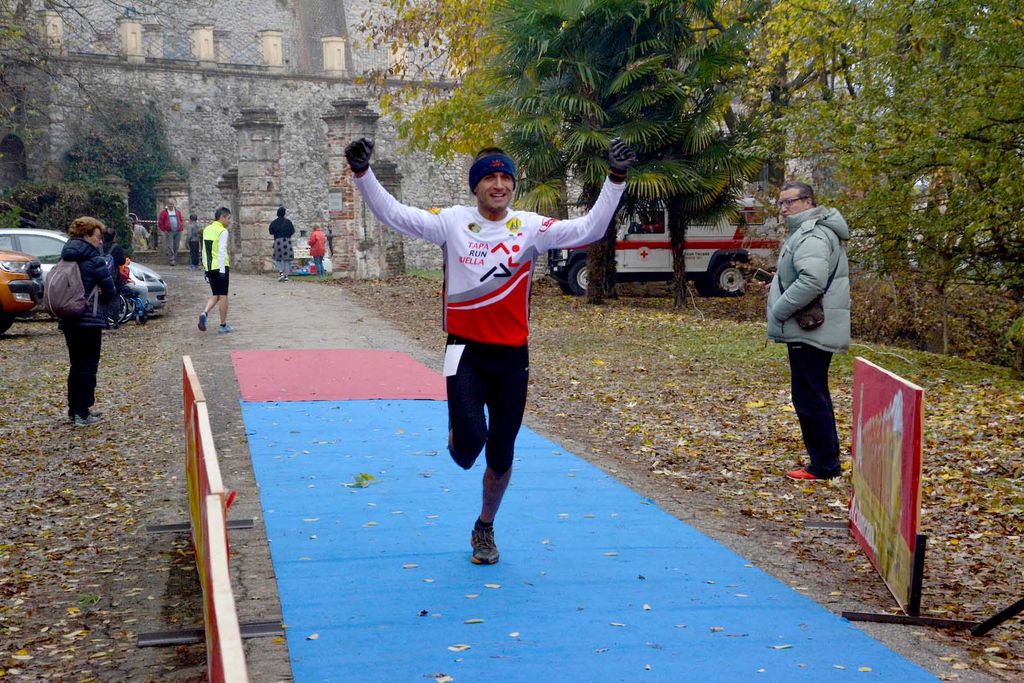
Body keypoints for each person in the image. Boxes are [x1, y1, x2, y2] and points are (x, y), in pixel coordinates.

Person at [345, 136, 636, 564]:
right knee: (468, 448)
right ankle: (460, 433)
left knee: (500, 453)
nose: (499, 185)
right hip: (463, 350)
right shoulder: (451, 223)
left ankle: (485, 525)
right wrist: (363, 174)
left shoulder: (530, 227)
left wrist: (616, 178)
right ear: (475, 186)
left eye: (506, 178)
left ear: (513, 185)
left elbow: (589, 229)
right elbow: (395, 214)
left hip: (512, 357)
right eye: (490, 178)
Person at [767, 181, 851, 481]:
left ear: (808, 201)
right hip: (813, 326)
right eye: (781, 203)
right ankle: (826, 461)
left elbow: (812, 280)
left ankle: (824, 466)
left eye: (790, 202)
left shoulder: (812, 233)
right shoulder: (809, 231)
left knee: (809, 396)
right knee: (813, 392)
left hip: (811, 327)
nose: (784, 209)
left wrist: (779, 309)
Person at [59, 216, 117, 426]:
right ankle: (83, 412)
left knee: (75, 364)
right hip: (89, 319)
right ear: (86, 235)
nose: (100, 241)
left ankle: (73, 409)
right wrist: (101, 292)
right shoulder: (94, 260)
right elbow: (110, 291)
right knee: (88, 366)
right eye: (97, 237)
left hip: (68, 318)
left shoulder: (66, 257)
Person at [198, 207, 233, 334]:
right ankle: (223, 325)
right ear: (222, 217)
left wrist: (205, 269)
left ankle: (204, 313)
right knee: (223, 296)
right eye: (228, 218)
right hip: (220, 266)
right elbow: (222, 251)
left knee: (216, 294)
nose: (229, 221)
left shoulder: (207, 229)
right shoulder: (222, 231)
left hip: (209, 267)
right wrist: (223, 271)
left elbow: (204, 250)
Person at [269, 206, 295, 281]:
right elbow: (292, 231)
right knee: (287, 260)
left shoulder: (274, 222)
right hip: (287, 241)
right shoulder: (288, 222)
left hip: (278, 241)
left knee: (277, 259)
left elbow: (271, 231)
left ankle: (281, 273)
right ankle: (286, 276)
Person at [158, 200, 185, 266]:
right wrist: (164, 229)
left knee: (176, 245)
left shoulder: (177, 212)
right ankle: (172, 259)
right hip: (169, 231)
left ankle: (174, 257)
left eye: (172, 204)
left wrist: (181, 227)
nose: (171, 205)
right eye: (170, 204)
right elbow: (160, 222)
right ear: (167, 205)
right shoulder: (164, 212)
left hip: (178, 231)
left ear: (174, 204)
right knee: (170, 246)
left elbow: (181, 220)